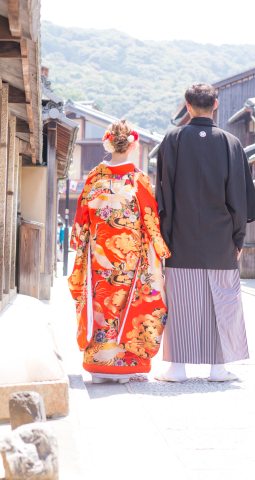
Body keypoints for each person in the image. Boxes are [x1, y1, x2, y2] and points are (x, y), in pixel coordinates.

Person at [155, 83, 255, 382]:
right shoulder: (230, 143)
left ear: (187, 106)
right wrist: (238, 238)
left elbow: (164, 195)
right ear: (215, 105)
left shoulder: (172, 139)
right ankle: (218, 368)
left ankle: (177, 368)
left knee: (181, 302)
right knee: (222, 302)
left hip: (180, 238)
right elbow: (239, 199)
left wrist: (165, 237)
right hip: (221, 240)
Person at [68, 120, 170, 384]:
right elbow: (149, 219)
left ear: (108, 142)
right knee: (126, 306)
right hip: (129, 256)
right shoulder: (139, 179)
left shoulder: (94, 177)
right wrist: (158, 247)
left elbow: (81, 219)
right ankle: (122, 367)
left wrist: (81, 245)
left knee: (100, 303)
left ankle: (98, 364)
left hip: (99, 256)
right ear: (133, 145)